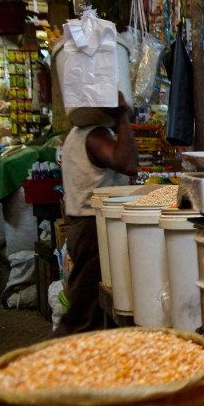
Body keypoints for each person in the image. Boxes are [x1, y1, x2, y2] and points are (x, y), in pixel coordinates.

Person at [57, 93, 138, 335]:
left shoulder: (77, 134)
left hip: (88, 227)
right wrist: (122, 117)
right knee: (85, 316)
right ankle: (53, 363)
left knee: (87, 306)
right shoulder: (95, 134)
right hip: (94, 229)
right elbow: (128, 164)